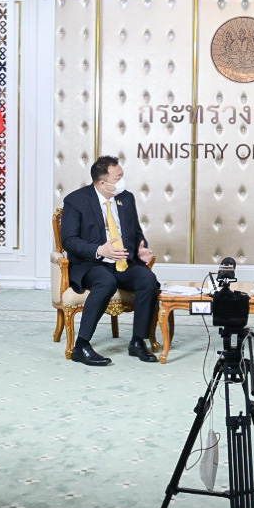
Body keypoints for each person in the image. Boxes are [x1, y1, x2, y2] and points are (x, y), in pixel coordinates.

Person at [59, 156, 160, 366]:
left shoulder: (126, 198)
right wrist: (99, 250)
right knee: (106, 282)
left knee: (148, 280)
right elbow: (69, 240)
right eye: (118, 177)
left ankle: (138, 341)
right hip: (91, 263)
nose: (123, 181)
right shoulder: (76, 200)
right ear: (102, 183)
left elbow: (135, 232)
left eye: (122, 176)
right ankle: (81, 346)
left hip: (123, 262)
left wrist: (141, 249)